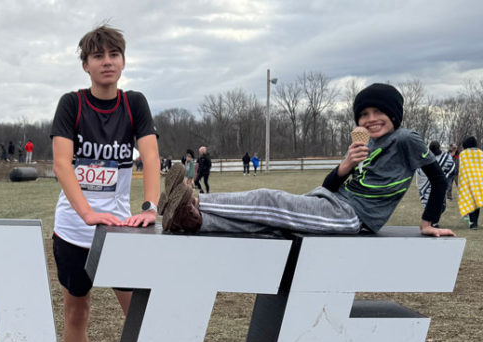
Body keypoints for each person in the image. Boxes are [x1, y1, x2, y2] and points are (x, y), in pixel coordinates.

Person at [162, 83, 454, 239]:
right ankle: (193, 220)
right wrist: (346, 164)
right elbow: (330, 184)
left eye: (378, 112)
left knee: (268, 200)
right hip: (331, 202)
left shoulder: (405, 139)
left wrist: (429, 222)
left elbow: (437, 178)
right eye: (364, 114)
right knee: (268, 225)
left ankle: (196, 202)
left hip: (352, 217)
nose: (370, 119)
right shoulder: (364, 142)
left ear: (394, 115)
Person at [50, 25, 160, 342]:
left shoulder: (134, 104)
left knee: (138, 312)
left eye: (113, 54)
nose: (107, 62)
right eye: (98, 56)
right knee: (77, 311)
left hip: (119, 231)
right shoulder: (72, 104)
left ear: (123, 61)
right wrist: (86, 212)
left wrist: (149, 206)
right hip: (74, 230)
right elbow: (62, 163)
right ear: (86, 65)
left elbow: (150, 157)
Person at [415, 141, 455, 224]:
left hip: (438, 184)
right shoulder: (426, 156)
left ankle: (432, 221)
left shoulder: (445, 157)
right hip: (428, 184)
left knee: (440, 205)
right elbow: (419, 170)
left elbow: (451, 168)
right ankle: (432, 223)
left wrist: (444, 177)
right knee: (431, 203)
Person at [457, 136, 481, 229]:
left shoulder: (463, 154)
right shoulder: (481, 154)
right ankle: (475, 222)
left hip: (468, 181)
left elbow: (461, 168)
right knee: (477, 202)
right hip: (479, 182)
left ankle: (472, 222)